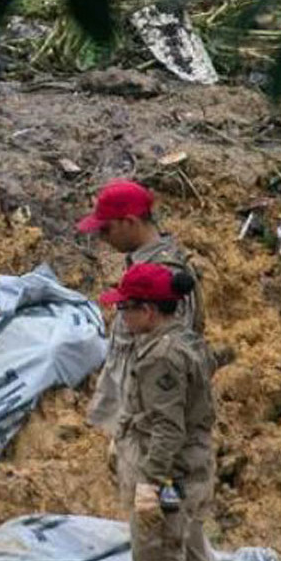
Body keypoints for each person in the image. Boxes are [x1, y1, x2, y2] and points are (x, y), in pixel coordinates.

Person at [100, 263, 217, 561]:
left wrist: (149, 484)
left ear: (148, 311)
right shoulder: (186, 341)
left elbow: (168, 428)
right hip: (190, 476)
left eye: (125, 308)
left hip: (170, 481)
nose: (121, 317)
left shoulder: (161, 358)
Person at [78, 179, 204, 435]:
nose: (103, 239)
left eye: (106, 230)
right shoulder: (145, 268)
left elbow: (168, 364)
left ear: (130, 222)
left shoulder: (165, 277)